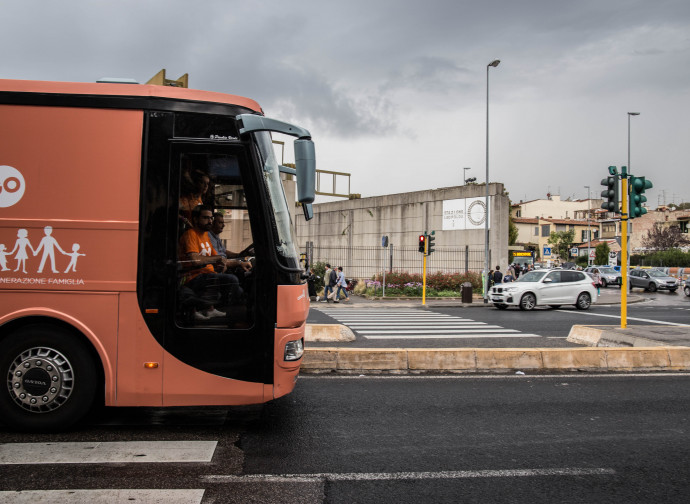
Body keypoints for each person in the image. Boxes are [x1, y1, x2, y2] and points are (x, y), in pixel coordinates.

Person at [179, 205, 251, 320]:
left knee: (237, 286)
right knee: (232, 280)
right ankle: (234, 316)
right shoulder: (190, 234)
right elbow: (195, 260)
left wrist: (238, 263)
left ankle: (209, 309)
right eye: (206, 218)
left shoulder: (206, 236)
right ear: (196, 219)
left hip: (207, 275)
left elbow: (218, 258)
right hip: (192, 277)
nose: (210, 221)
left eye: (211, 218)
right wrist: (216, 259)